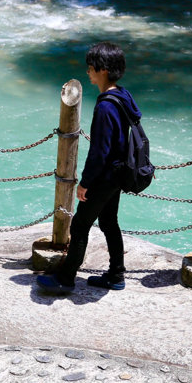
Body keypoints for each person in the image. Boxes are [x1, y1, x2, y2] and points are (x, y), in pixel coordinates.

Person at [37, 41, 142, 293]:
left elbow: (99, 152)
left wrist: (85, 183)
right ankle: (116, 275)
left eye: (91, 67)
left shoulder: (106, 106)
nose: (88, 71)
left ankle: (65, 278)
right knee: (108, 222)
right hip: (118, 174)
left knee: (80, 225)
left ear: (102, 70)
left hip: (104, 177)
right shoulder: (123, 96)